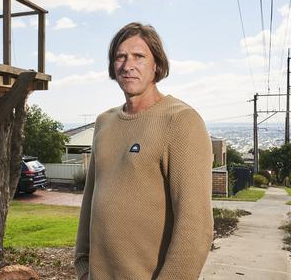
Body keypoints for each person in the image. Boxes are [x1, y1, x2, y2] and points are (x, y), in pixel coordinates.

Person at [74, 22, 214, 279]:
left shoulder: (181, 121)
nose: (128, 66)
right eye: (120, 57)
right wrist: (83, 265)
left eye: (139, 56)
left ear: (157, 65)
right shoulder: (104, 122)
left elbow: (196, 228)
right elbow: (90, 199)